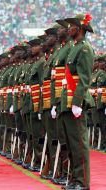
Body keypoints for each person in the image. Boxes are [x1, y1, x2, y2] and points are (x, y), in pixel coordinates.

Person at [60, 14, 95, 190]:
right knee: (72, 143)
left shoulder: (85, 49)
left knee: (79, 144)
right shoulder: (74, 47)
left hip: (76, 102)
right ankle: (75, 179)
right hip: (68, 101)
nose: (68, 29)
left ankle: (83, 182)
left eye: (71, 26)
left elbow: (84, 79)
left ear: (80, 28)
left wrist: (77, 102)